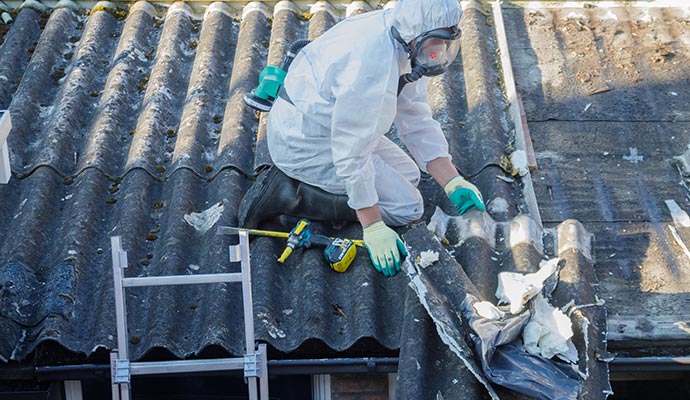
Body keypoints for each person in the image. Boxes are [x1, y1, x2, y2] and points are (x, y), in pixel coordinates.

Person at [239, 0, 485, 277]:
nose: (438, 52)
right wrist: (372, 225)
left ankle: (338, 193)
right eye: (435, 42)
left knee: (410, 176)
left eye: (446, 40)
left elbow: (415, 117)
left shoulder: (405, 36)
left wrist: (451, 180)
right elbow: (351, 153)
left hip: (328, 122)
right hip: (305, 141)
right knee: (408, 208)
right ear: (418, 32)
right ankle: (289, 193)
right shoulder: (371, 66)